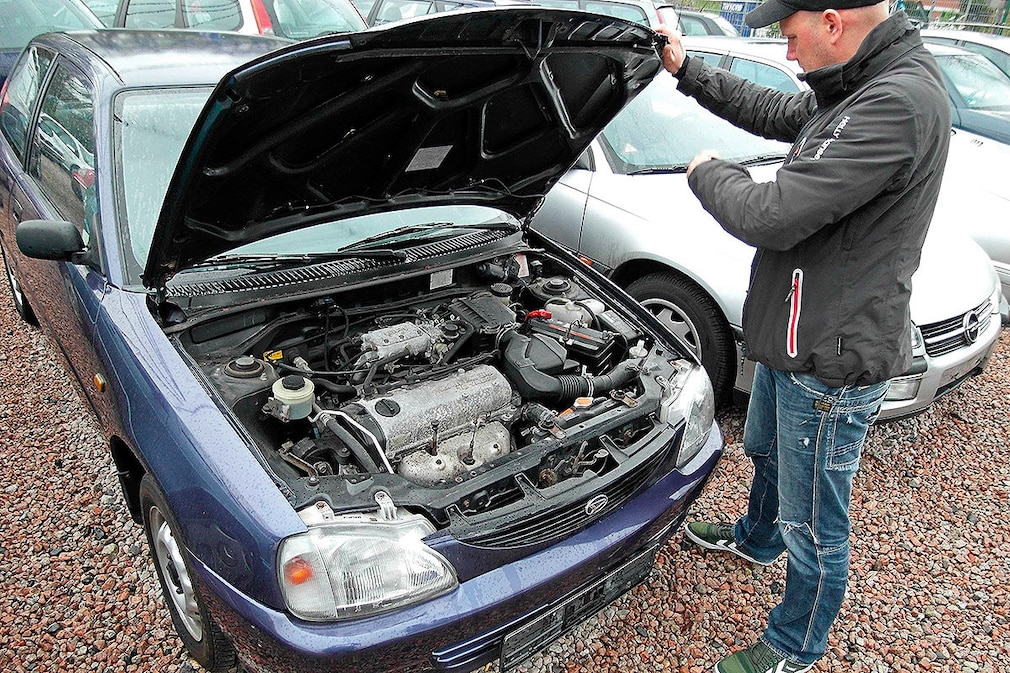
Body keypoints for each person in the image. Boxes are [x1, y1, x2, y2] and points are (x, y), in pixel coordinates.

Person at [656, 2, 951, 672]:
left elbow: (772, 215)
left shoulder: (897, 104)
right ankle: (756, 539)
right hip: (796, 328)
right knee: (763, 447)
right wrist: (687, 68)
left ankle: (795, 645)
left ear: (832, 23)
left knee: (813, 521)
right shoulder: (857, 88)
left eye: (791, 37)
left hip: (831, 357)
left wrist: (707, 171)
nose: (788, 53)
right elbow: (775, 111)